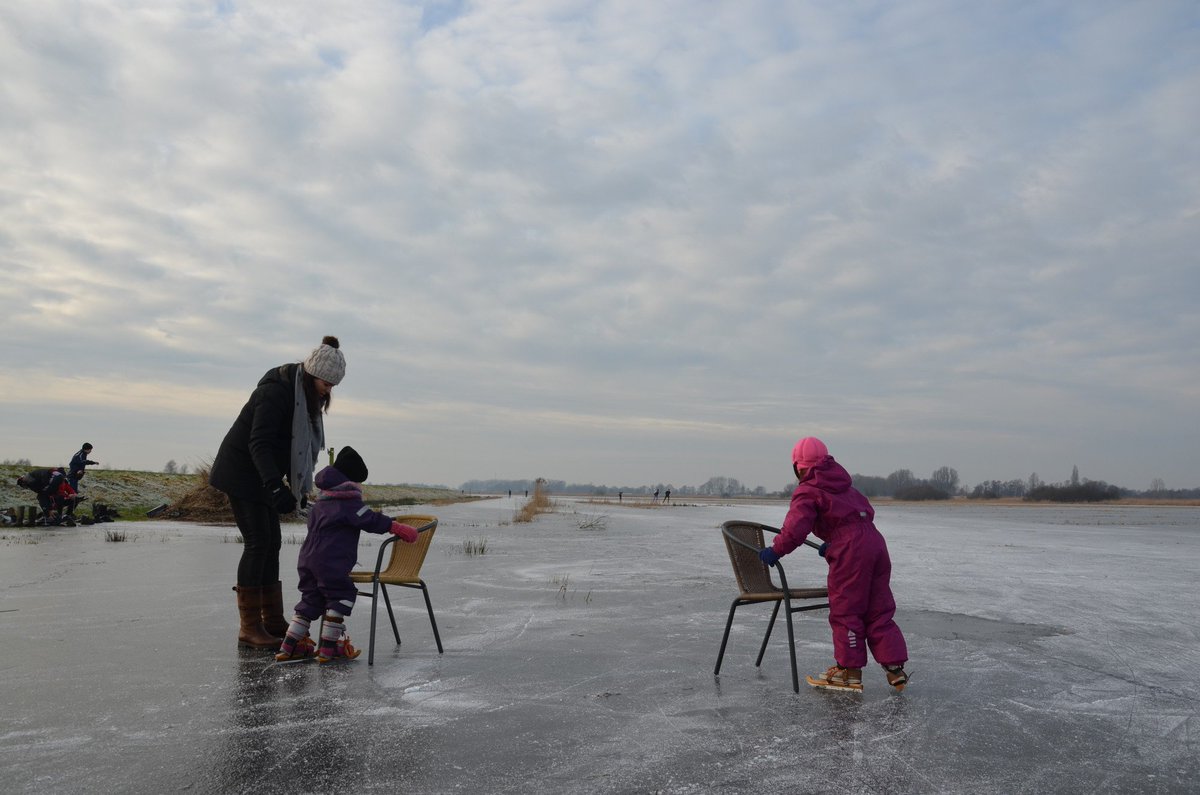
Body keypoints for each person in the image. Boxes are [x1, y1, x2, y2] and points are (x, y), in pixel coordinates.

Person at [210, 335, 347, 649]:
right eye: (326, 383)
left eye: (333, 385)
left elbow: (292, 449)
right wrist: (275, 485)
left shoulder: (304, 397)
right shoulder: (276, 391)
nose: (329, 390)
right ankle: (249, 627)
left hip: (262, 473)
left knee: (272, 543)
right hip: (242, 472)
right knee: (258, 543)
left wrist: (294, 489)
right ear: (312, 375)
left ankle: (272, 619)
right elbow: (258, 442)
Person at [759, 437, 909, 693]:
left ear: (799, 467)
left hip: (852, 550)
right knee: (878, 608)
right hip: (875, 543)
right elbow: (858, 517)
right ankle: (895, 667)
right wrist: (835, 542)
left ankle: (849, 672)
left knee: (847, 609)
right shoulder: (845, 486)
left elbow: (795, 529)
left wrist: (775, 550)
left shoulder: (808, 489)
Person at [275, 446, 419, 663]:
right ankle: (329, 649)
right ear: (351, 481)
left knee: (310, 598)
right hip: (331, 561)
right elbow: (369, 519)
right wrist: (396, 527)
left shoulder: (322, 501)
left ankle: (289, 646)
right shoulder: (347, 502)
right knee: (339, 595)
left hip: (307, 559)